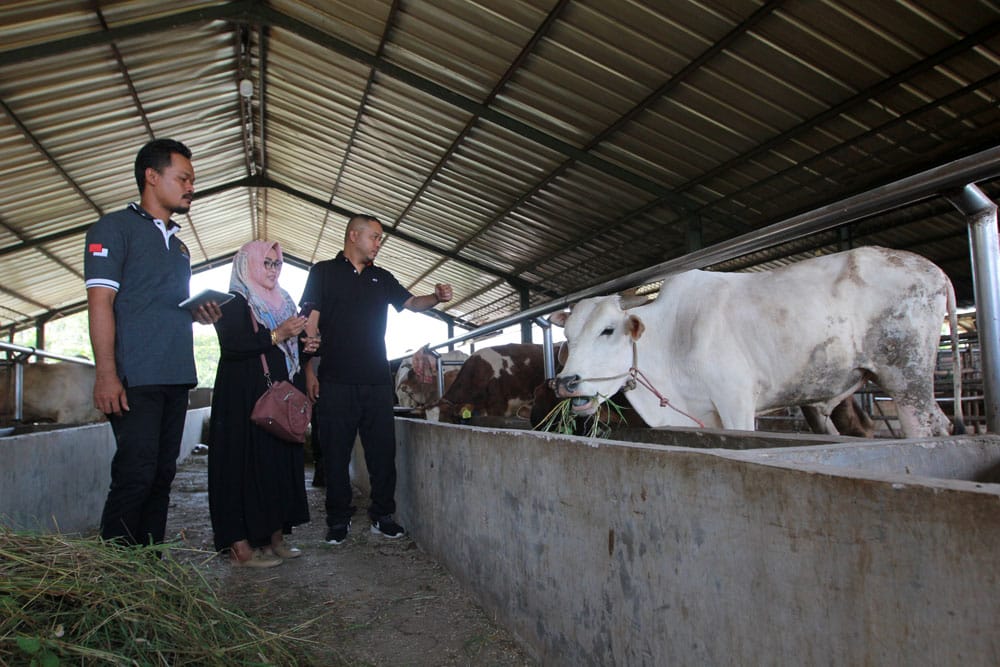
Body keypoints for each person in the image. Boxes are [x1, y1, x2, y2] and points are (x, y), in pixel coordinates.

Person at [85, 138, 222, 547]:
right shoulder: (113, 229)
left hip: (176, 374)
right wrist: (107, 375)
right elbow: (100, 303)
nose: (190, 187)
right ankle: (116, 577)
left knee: (162, 476)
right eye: (183, 178)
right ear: (151, 176)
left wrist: (199, 313)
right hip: (135, 377)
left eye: (192, 180)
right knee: (135, 474)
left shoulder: (180, 247)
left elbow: (164, 306)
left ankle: (150, 572)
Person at [301, 214, 452, 544]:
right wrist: (309, 369)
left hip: (375, 381)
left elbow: (411, 302)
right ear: (354, 236)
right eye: (375, 237)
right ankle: (338, 520)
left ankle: (383, 516)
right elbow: (310, 320)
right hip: (336, 380)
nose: (378, 244)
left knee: (382, 454)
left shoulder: (381, 277)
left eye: (380, 238)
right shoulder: (323, 272)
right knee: (335, 454)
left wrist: (436, 298)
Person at [207, 241, 315, 567]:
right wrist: (277, 334)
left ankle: (274, 538)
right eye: (266, 263)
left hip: (277, 394)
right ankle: (240, 547)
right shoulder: (233, 301)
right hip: (242, 396)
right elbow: (234, 345)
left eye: (276, 264)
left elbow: (290, 348)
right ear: (248, 264)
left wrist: (306, 342)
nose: (272, 270)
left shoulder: (283, 301)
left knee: (276, 463)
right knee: (241, 466)